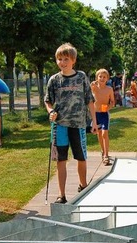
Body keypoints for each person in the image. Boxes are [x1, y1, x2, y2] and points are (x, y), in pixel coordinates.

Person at [44, 43, 98, 204]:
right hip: (60, 125)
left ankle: (83, 185)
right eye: (59, 59)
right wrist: (51, 112)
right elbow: (48, 101)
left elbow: (90, 100)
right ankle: (62, 194)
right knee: (61, 159)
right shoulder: (54, 80)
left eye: (66, 59)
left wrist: (94, 122)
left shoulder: (81, 77)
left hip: (78, 124)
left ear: (73, 60)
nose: (62, 62)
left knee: (81, 157)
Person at [92, 68, 115, 166]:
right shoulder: (93, 87)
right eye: (100, 76)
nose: (102, 78)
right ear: (97, 77)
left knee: (104, 133)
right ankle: (103, 151)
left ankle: (106, 155)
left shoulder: (109, 89)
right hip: (95, 114)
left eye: (104, 77)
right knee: (99, 134)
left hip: (104, 114)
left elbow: (113, 102)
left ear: (107, 79)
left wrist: (108, 107)